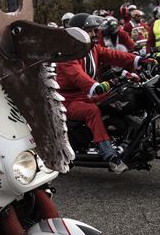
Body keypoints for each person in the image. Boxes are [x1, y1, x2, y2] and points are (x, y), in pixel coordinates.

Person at [58, 13, 153, 174]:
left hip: (88, 94)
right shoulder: (68, 54)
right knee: (92, 112)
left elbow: (114, 55)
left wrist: (138, 60)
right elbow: (77, 75)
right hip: (69, 99)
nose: (95, 35)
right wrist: (95, 86)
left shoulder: (92, 47)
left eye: (95, 31)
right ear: (78, 33)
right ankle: (110, 156)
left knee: (120, 97)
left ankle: (128, 138)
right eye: (89, 31)